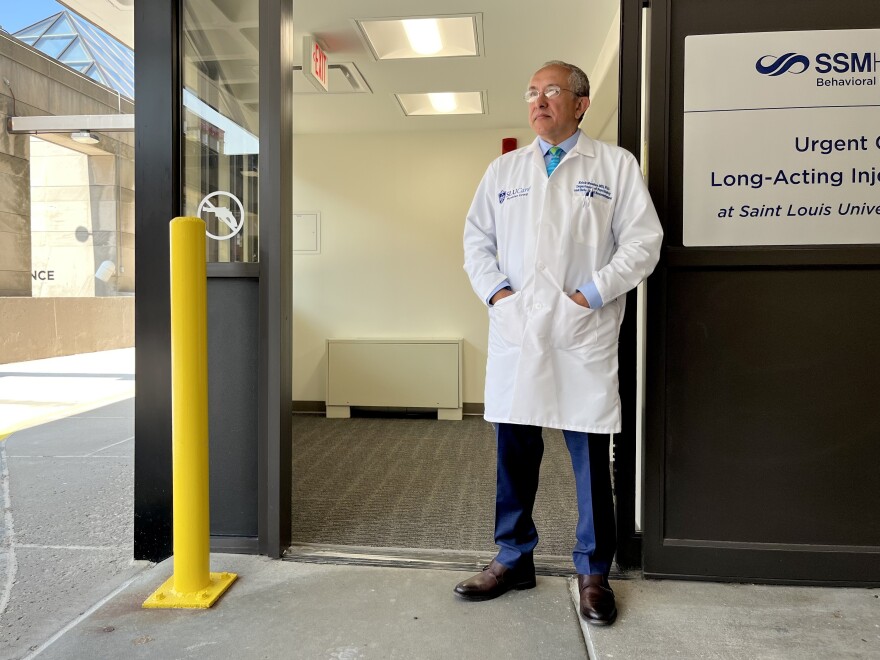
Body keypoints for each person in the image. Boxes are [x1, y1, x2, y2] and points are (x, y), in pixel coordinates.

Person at [457, 60, 663, 626]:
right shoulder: (504, 170)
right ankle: (513, 556)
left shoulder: (615, 166)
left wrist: (591, 295)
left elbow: (644, 242)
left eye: (552, 91)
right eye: (532, 92)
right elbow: (476, 240)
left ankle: (594, 571)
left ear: (581, 102)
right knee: (513, 453)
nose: (539, 100)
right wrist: (499, 295)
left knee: (591, 458)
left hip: (581, 332)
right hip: (519, 329)